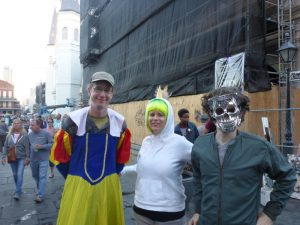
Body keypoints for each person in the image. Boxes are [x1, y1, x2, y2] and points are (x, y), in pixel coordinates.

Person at [188, 87, 296, 225]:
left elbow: (287, 177)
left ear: (242, 111)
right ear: (211, 113)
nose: (226, 115)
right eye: (220, 111)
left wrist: (269, 214)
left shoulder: (259, 147)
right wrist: (198, 211)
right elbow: (198, 180)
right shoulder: (200, 145)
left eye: (231, 109)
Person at [50, 71, 131, 225]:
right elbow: (60, 157)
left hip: (108, 188)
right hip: (78, 186)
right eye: (98, 89)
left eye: (107, 90)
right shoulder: (71, 121)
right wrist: (75, 177)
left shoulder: (120, 123)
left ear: (112, 94)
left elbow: (121, 158)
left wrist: (111, 174)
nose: (102, 94)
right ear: (89, 90)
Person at [123, 94, 193, 225]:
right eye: (152, 114)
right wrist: (121, 170)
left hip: (170, 215)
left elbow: (204, 163)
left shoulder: (179, 143)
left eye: (160, 115)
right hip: (141, 211)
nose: (155, 118)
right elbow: (142, 168)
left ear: (169, 118)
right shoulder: (146, 141)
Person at [1, 118, 30, 200]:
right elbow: (5, 146)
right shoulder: (9, 135)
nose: (16, 124)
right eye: (14, 123)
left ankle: (17, 192)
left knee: (19, 174)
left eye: (17, 123)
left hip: (21, 157)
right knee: (15, 174)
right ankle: (19, 189)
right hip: (12, 157)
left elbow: (27, 147)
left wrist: (28, 158)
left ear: (21, 124)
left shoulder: (25, 135)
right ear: (12, 125)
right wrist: (3, 157)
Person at [28, 118, 53, 203]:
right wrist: (27, 158)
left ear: (38, 125)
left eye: (32, 125)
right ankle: (40, 190)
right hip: (33, 160)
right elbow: (27, 147)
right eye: (30, 125)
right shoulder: (30, 135)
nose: (30, 126)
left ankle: (40, 195)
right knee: (35, 176)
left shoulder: (46, 133)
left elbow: (51, 144)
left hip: (43, 159)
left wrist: (42, 146)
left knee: (42, 177)